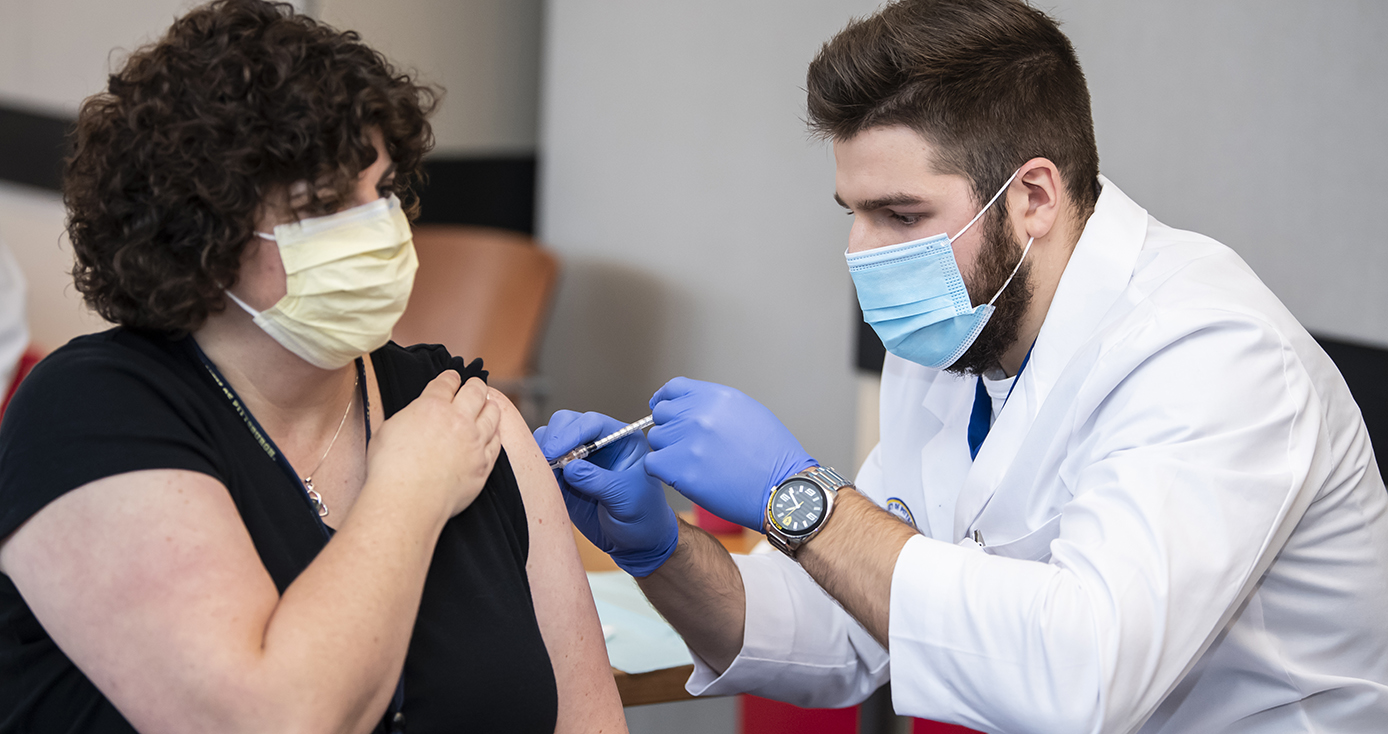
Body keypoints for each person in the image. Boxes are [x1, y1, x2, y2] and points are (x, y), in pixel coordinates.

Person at [536, 0, 1388, 731]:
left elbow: (1082, 680)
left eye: (899, 213)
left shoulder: (1212, 356)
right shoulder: (960, 333)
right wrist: (662, 553)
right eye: (853, 212)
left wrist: (799, 497)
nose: (859, 253)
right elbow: (848, 631)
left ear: (1034, 197)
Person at [0, 2, 626, 733]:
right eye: (327, 202)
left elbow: (589, 721)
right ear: (203, 231)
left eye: (383, 191)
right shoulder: (91, 414)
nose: (379, 228)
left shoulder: (458, 407)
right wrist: (411, 490)